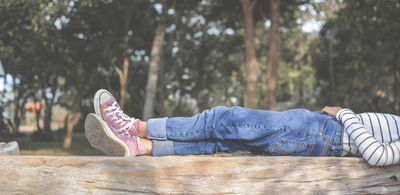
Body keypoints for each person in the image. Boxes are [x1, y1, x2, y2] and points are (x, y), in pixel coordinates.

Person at [85, 89, 400, 166]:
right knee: (221, 142)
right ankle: (141, 147)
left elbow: (376, 154)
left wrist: (344, 112)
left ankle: (134, 127)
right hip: (318, 135)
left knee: (224, 119)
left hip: (322, 133)